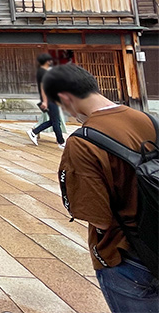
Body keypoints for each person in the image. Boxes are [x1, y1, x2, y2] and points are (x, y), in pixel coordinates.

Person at [43, 64, 159, 312]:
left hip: (126, 254)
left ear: (64, 96)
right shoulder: (148, 120)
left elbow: (98, 217)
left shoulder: (83, 141)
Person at [27, 53, 65, 149]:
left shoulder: (44, 72)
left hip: (51, 98)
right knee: (56, 121)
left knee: (54, 120)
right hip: (49, 99)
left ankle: (34, 132)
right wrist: (45, 101)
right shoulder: (44, 72)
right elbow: (44, 87)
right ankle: (61, 142)